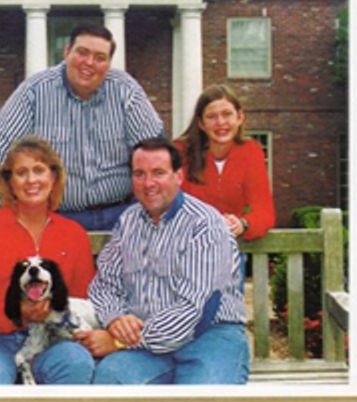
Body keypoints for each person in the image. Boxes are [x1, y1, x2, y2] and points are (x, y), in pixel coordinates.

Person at [74, 137, 249, 384]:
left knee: (202, 397)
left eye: (158, 173)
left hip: (209, 336)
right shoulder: (129, 221)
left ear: (178, 176)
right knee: (110, 380)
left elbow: (196, 310)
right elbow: (105, 284)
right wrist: (115, 319)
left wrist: (120, 341)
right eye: (139, 174)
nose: (148, 184)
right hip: (145, 345)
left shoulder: (205, 225)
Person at [0, 23, 164, 231]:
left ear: (109, 63)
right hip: (57, 218)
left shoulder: (126, 89)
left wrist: (163, 210)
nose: (89, 63)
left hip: (124, 215)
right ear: (66, 52)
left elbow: (156, 152)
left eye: (100, 58)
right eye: (82, 53)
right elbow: (0, 152)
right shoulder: (34, 92)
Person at [0, 135, 96, 384]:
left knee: (76, 363)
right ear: (9, 181)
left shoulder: (73, 234)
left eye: (39, 170)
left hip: (50, 340)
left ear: (54, 177)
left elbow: (81, 299)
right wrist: (19, 312)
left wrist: (53, 312)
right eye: (21, 173)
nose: (31, 180)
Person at [174, 84, 275, 241]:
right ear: (201, 123)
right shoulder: (179, 152)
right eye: (211, 117)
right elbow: (166, 205)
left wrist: (243, 224)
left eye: (227, 114)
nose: (220, 122)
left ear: (239, 117)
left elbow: (264, 210)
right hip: (185, 241)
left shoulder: (251, 151)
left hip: (229, 244)